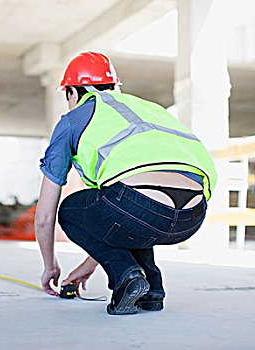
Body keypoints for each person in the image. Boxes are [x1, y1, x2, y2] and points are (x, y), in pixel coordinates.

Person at [34, 52, 217, 315]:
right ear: (114, 87)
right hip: (192, 215)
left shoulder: (73, 121)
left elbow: (44, 217)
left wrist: (50, 265)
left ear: (72, 93)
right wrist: (89, 264)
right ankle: (153, 289)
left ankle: (127, 277)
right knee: (131, 205)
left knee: (73, 210)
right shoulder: (150, 110)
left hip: (140, 209)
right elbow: (123, 218)